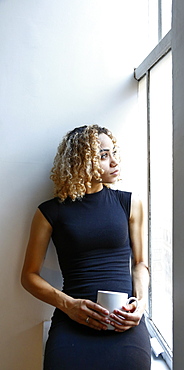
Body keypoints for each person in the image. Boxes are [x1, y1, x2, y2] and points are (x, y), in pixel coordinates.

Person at [21, 124, 151, 369]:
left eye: (113, 153)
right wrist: (68, 305)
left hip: (124, 323)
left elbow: (141, 263)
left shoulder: (130, 203)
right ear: (81, 161)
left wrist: (141, 305)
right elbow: (28, 276)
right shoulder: (50, 212)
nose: (114, 162)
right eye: (103, 156)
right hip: (73, 323)